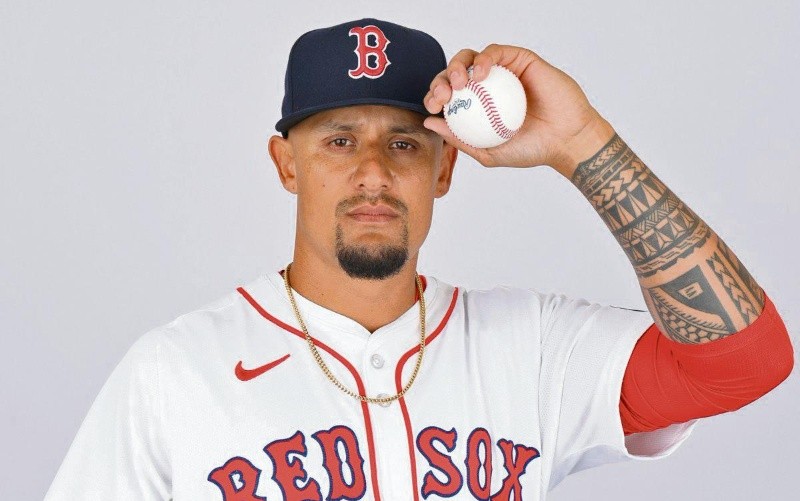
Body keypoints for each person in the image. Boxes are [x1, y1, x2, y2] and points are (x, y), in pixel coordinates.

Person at [45, 18, 793, 501]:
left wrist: (579, 141)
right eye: (340, 140)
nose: (373, 172)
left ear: (445, 167)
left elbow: (745, 361)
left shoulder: (532, 350)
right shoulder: (175, 374)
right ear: (286, 164)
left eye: (404, 143)